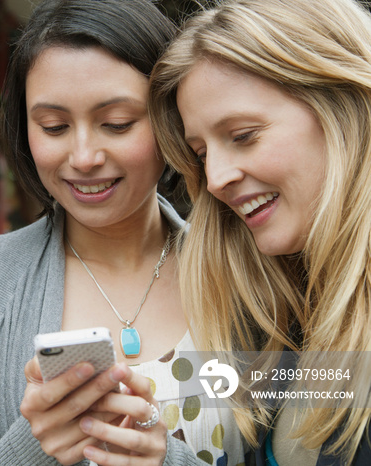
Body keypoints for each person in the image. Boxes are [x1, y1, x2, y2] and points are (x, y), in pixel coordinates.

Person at [0, 0, 244, 464]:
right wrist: (35, 444)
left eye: (116, 124)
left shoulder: (245, 274)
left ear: (171, 120)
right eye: (54, 127)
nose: (84, 156)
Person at [148, 0, 371, 464]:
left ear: (346, 108)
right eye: (202, 153)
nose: (214, 180)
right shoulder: (289, 314)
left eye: (244, 134)